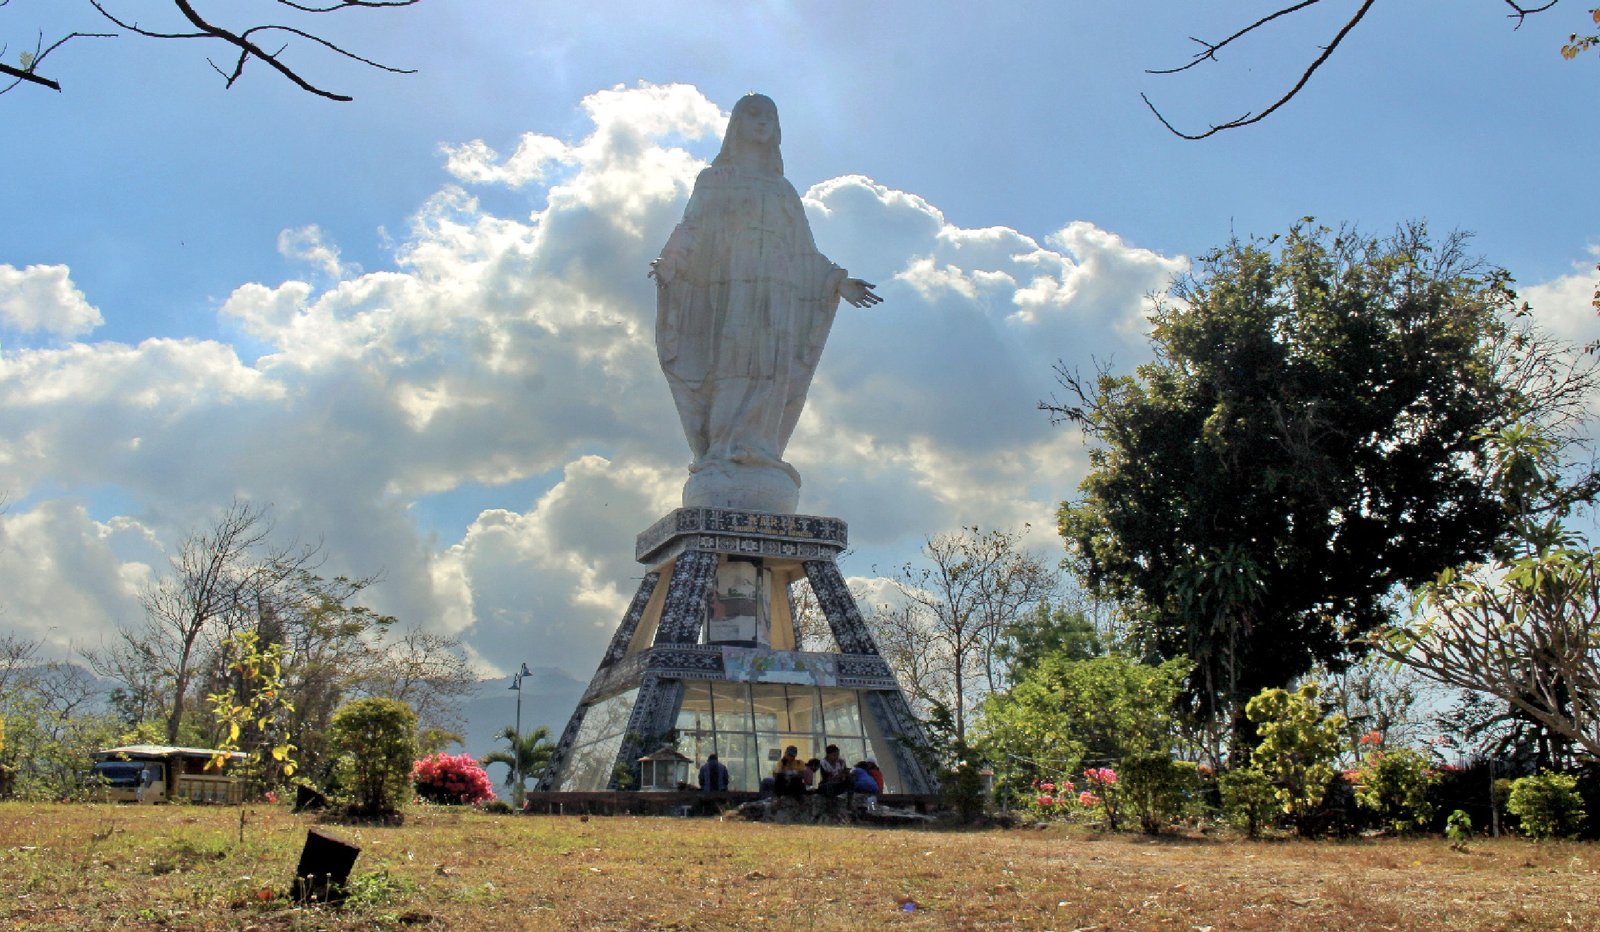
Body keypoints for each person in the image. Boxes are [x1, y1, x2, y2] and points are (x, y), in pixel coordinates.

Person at [652, 93, 881, 512]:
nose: (761, 122)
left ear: (777, 128)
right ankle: (723, 452)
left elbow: (804, 253)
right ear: (737, 123)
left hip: (778, 290)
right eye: (752, 114)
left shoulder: (782, 189)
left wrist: (837, 282)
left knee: (770, 369)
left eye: (769, 116)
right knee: (733, 363)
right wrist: (672, 263)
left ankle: (760, 450)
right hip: (730, 286)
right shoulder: (715, 179)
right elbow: (692, 227)